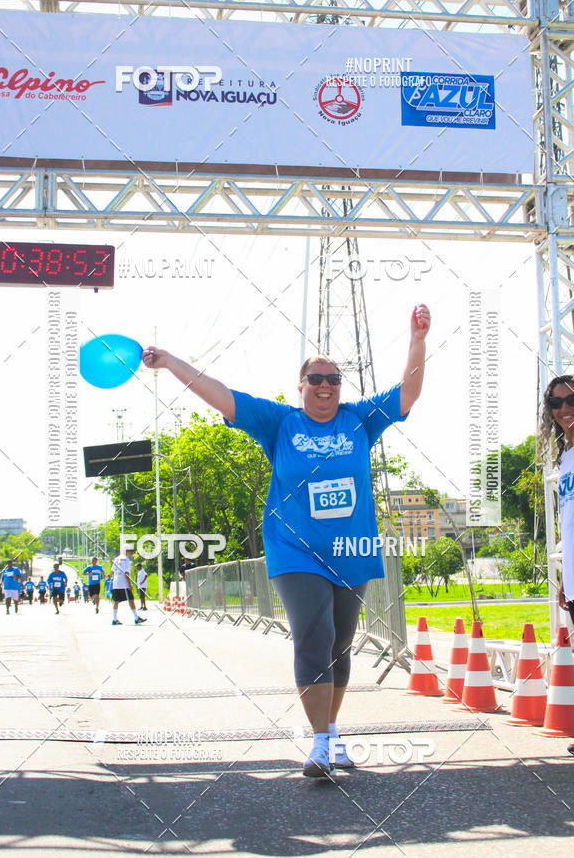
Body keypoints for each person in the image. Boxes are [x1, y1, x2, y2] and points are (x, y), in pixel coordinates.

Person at [142, 304, 430, 778]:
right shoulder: (280, 422)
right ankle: (319, 743)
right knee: (314, 635)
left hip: (351, 552)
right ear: (301, 386)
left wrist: (417, 340)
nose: (325, 386)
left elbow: (409, 392)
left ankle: (331, 733)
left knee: (340, 645)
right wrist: (171, 361)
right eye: (316, 379)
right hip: (295, 551)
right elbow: (221, 395)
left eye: (333, 379)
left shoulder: (360, 420)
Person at [540, 374, 574, 758]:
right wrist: (566, 576)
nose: (564, 409)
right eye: (555, 403)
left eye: (571, 400)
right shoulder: (565, 458)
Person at [111, 546, 146, 626]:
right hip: (124, 584)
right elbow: (126, 573)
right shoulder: (126, 560)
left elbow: (112, 571)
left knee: (116, 601)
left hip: (116, 583)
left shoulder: (116, 559)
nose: (129, 552)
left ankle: (114, 619)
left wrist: (116, 578)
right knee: (131, 599)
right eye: (128, 551)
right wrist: (129, 584)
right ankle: (136, 618)